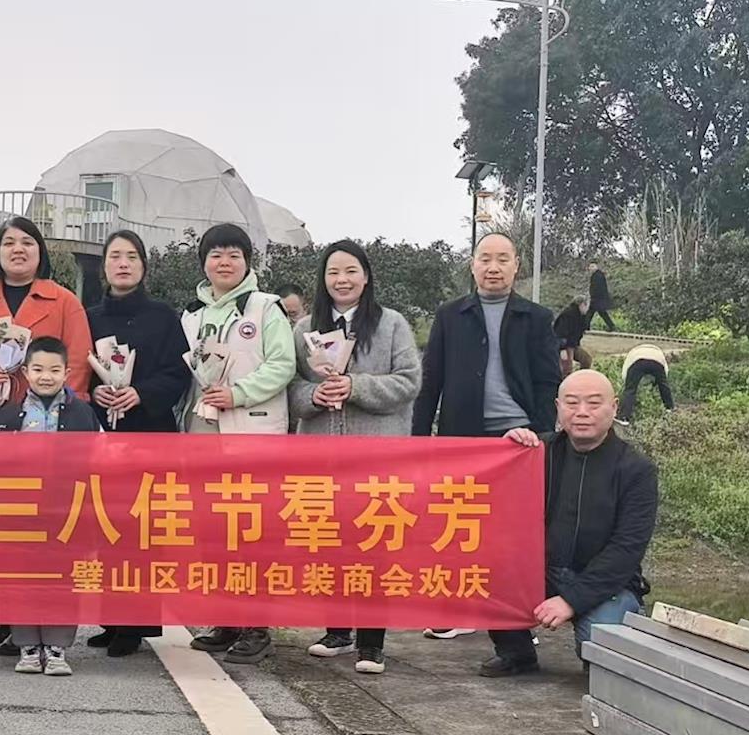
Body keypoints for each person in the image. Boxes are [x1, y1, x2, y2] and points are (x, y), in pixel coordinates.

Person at [413, 232, 561, 642]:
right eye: (485, 259)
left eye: (502, 259)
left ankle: (513, 617)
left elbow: (548, 381)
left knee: (512, 533)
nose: (493, 268)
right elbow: (431, 381)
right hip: (463, 438)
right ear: (472, 265)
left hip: (519, 441)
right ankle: (458, 610)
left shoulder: (536, 317)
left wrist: (541, 434)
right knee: (458, 526)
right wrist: (419, 440)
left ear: (516, 266)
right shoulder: (450, 315)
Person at [0, 216, 92, 655]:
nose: (18, 250)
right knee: (1, 530)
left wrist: (63, 418)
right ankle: (8, 618)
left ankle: (44, 624)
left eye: (27, 243)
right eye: (9, 243)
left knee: (48, 532)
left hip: (49, 437)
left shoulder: (64, 302)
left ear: (41, 252)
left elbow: (78, 365)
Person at [291, 240, 421, 675]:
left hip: (377, 458)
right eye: (333, 272)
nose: (342, 280)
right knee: (330, 542)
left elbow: (409, 382)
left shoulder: (391, 325)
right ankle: (337, 630)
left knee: (373, 544)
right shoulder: (305, 328)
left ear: (366, 277)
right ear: (323, 280)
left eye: (350, 271)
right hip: (322, 455)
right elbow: (291, 389)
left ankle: (371, 642)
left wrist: (356, 387)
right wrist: (314, 395)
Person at [181, 223, 295, 666]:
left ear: (247, 262)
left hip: (253, 430)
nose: (224, 262)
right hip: (204, 431)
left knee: (252, 531)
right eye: (215, 255)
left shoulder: (265, 308)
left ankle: (257, 627)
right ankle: (226, 619)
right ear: (203, 263)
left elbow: (282, 365)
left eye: (233, 254)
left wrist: (239, 393)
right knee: (214, 531)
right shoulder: (191, 314)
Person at [496, 370, 658, 675]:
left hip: (609, 582)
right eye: (572, 403)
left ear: (614, 407)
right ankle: (516, 653)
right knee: (489, 577)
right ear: (558, 407)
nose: (582, 412)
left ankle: (617, 626)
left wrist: (571, 600)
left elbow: (626, 550)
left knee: (598, 644)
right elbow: (496, 497)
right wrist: (505, 452)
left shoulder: (636, 470)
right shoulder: (537, 452)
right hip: (543, 572)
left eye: (594, 403)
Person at [83, 230, 191, 657]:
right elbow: (79, 369)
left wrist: (140, 393)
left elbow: (179, 373)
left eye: (131, 256)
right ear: (104, 266)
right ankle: (110, 619)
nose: (123, 263)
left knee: (142, 530)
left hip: (150, 434)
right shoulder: (88, 317)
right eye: (115, 256)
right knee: (106, 526)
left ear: (144, 265)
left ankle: (135, 623)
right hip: (103, 437)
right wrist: (95, 391)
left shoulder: (163, 317)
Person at [0, 336, 101, 676]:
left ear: (67, 373)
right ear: (25, 372)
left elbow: (98, 459)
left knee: (63, 577)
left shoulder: (83, 413)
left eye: (54, 370)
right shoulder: (10, 413)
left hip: (66, 510)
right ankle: (27, 646)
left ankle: (57, 648)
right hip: (20, 510)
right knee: (21, 577)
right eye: (38, 369)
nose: (46, 376)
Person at [616, 343, 674, 426]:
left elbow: (625, 372)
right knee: (663, 386)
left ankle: (624, 418)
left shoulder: (632, 353)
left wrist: (628, 384)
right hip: (657, 361)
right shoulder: (659, 352)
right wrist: (659, 383)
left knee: (630, 390)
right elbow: (665, 373)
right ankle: (669, 409)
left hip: (638, 361)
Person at [554, 296, 591, 374]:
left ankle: (580, 378)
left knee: (586, 359)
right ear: (582, 305)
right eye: (587, 306)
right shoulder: (567, 314)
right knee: (567, 368)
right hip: (564, 345)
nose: (588, 309)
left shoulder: (581, 316)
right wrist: (562, 349)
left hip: (573, 345)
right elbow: (559, 334)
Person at [587, 262, 615, 331]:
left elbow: (597, 288)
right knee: (600, 313)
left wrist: (593, 296)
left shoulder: (597, 276)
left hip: (597, 298)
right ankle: (611, 326)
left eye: (591, 267)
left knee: (591, 313)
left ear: (594, 267)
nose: (590, 269)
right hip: (598, 298)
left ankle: (586, 326)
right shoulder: (598, 275)